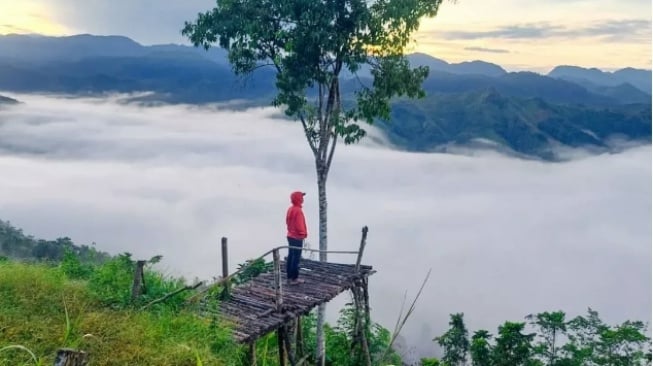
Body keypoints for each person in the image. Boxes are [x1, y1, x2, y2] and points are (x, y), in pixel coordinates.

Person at [286, 191, 307, 284]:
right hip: (297, 237)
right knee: (296, 258)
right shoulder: (298, 210)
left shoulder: (290, 209)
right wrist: (303, 234)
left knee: (291, 256)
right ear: (298, 199)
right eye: (301, 197)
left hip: (290, 236)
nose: (303, 199)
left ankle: (289, 277)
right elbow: (299, 225)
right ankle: (294, 278)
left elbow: (287, 222)